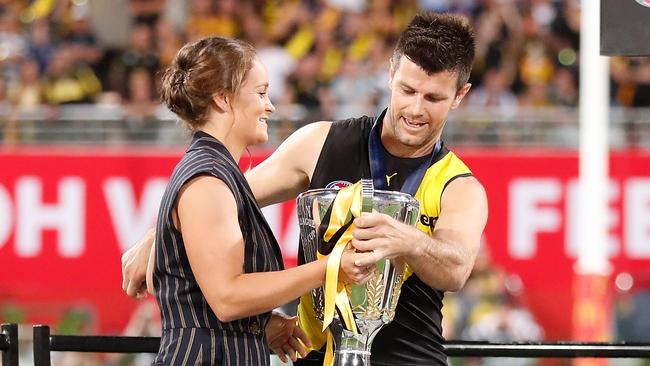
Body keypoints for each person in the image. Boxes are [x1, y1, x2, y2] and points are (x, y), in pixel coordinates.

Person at [123, 12, 488, 365]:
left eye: (434, 98)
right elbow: (223, 193)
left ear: (460, 95)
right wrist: (156, 234)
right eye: (407, 90)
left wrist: (407, 240)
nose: (415, 108)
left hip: (407, 359)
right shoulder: (321, 141)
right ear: (390, 74)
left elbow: (455, 270)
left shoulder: (460, 187)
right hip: (312, 357)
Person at [147, 36, 374, 365]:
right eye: (261, 93)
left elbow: (194, 295)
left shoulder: (218, 173)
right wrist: (331, 268)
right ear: (223, 99)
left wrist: (261, 324)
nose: (271, 106)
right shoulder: (208, 180)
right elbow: (227, 297)